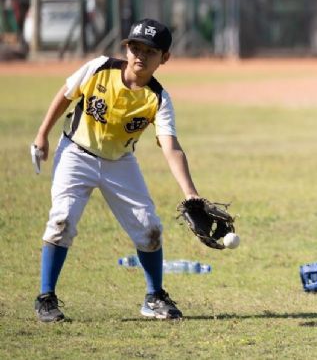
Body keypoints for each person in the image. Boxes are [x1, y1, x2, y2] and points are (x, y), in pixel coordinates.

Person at [32, 18, 200, 322]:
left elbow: (170, 146)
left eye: (150, 51)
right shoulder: (100, 67)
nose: (139, 55)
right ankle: (46, 298)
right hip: (76, 154)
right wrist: (43, 134)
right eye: (134, 47)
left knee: (149, 228)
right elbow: (66, 94)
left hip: (120, 162)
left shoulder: (158, 98)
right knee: (61, 221)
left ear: (165, 58)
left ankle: (154, 297)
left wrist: (191, 194)